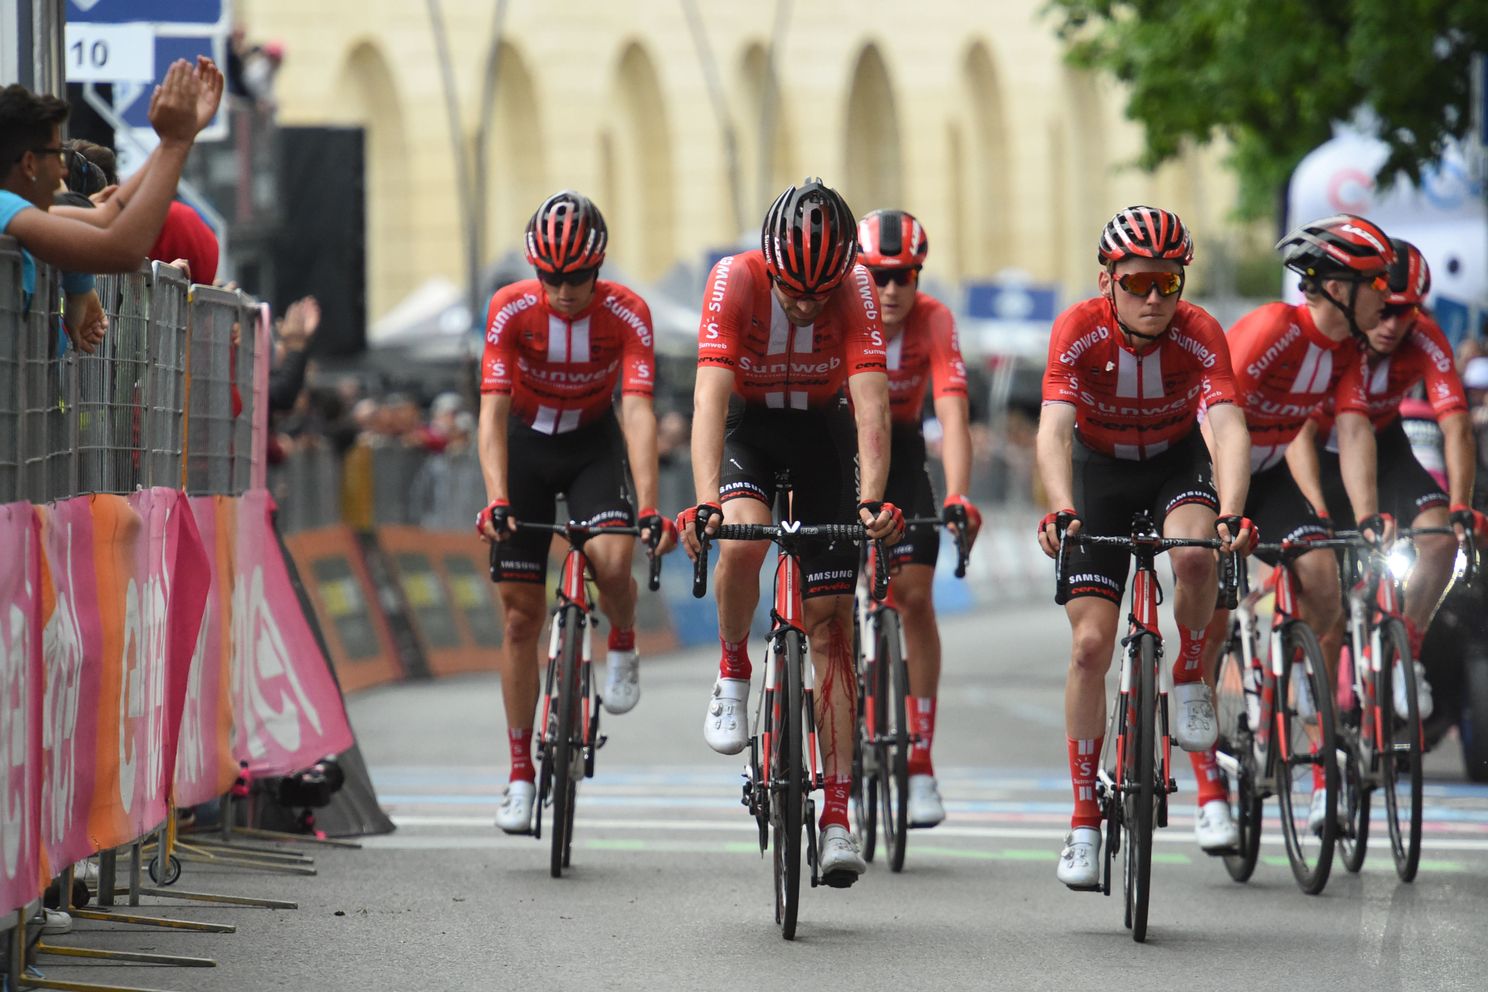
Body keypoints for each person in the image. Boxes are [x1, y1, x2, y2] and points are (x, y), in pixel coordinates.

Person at [678, 178, 902, 886]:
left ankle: (836, 816)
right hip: (749, 427)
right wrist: (705, 502)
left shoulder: (857, 288)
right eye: (792, 291)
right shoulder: (734, 279)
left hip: (820, 433)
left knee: (831, 624)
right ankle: (733, 670)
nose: (806, 304)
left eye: (819, 293)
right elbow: (709, 398)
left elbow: (872, 406)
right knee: (744, 538)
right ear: (770, 265)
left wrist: (871, 502)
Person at [1035, 206, 1254, 888]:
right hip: (1098, 474)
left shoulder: (1200, 332)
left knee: (1195, 555)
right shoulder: (1077, 329)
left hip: (1173, 466)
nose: (1155, 297)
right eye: (1137, 283)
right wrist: (1060, 506)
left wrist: (1232, 511)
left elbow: (1229, 427)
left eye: (1169, 282)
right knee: (1089, 647)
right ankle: (1082, 818)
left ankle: (1188, 672)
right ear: (1108, 280)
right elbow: (1053, 429)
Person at [476, 190, 676, 835]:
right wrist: (497, 497)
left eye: (578, 276)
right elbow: (491, 414)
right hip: (526, 446)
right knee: (519, 619)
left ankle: (622, 638)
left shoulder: (627, 312)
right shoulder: (510, 308)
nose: (564, 291)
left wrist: (650, 505)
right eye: (551, 277)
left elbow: (637, 411)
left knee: (613, 560)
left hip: (592, 445)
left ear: (599, 267)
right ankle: (519, 774)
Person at [1200, 212, 1394, 835]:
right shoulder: (1273, 329)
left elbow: (1354, 431)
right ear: (1337, 288)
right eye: (1377, 283)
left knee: (1324, 585)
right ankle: (1208, 787)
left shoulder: (1348, 351)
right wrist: (1225, 513)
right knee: (1210, 619)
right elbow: (1213, 418)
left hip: (1270, 473)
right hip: (1211, 468)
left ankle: (1313, 758)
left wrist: (1367, 516)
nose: (1387, 296)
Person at [1288, 239, 1485, 721]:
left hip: (1385, 447)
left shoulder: (1425, 338)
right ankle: (1322, 732)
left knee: (1442, 538)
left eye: (1407, 312)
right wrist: (1315, 509)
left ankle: (1405, 652)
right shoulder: (1333, 336)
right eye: (1386, 309)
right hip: (1322, 455)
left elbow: (1456, 426)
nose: (1392, 325)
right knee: (1328, 604)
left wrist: (1460, 505)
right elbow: (1300, 433)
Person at [854, 208, 981, 828]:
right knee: (824, 597)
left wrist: (957, 494)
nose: (891, 290)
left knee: (916, 598)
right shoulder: (841, 313)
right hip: (839, 444)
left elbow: (952, 412)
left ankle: (921, 760)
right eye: (877, 277)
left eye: (903, 276)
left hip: (901, 448)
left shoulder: (934, 319)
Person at [0, 59, 224, 285]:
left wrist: (176, 139)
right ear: (29, 164)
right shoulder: (6, 208)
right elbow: (123, 251)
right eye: (58, 155)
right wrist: (174, 143)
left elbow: (107, 217)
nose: (64, 170)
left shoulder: (21, 211)